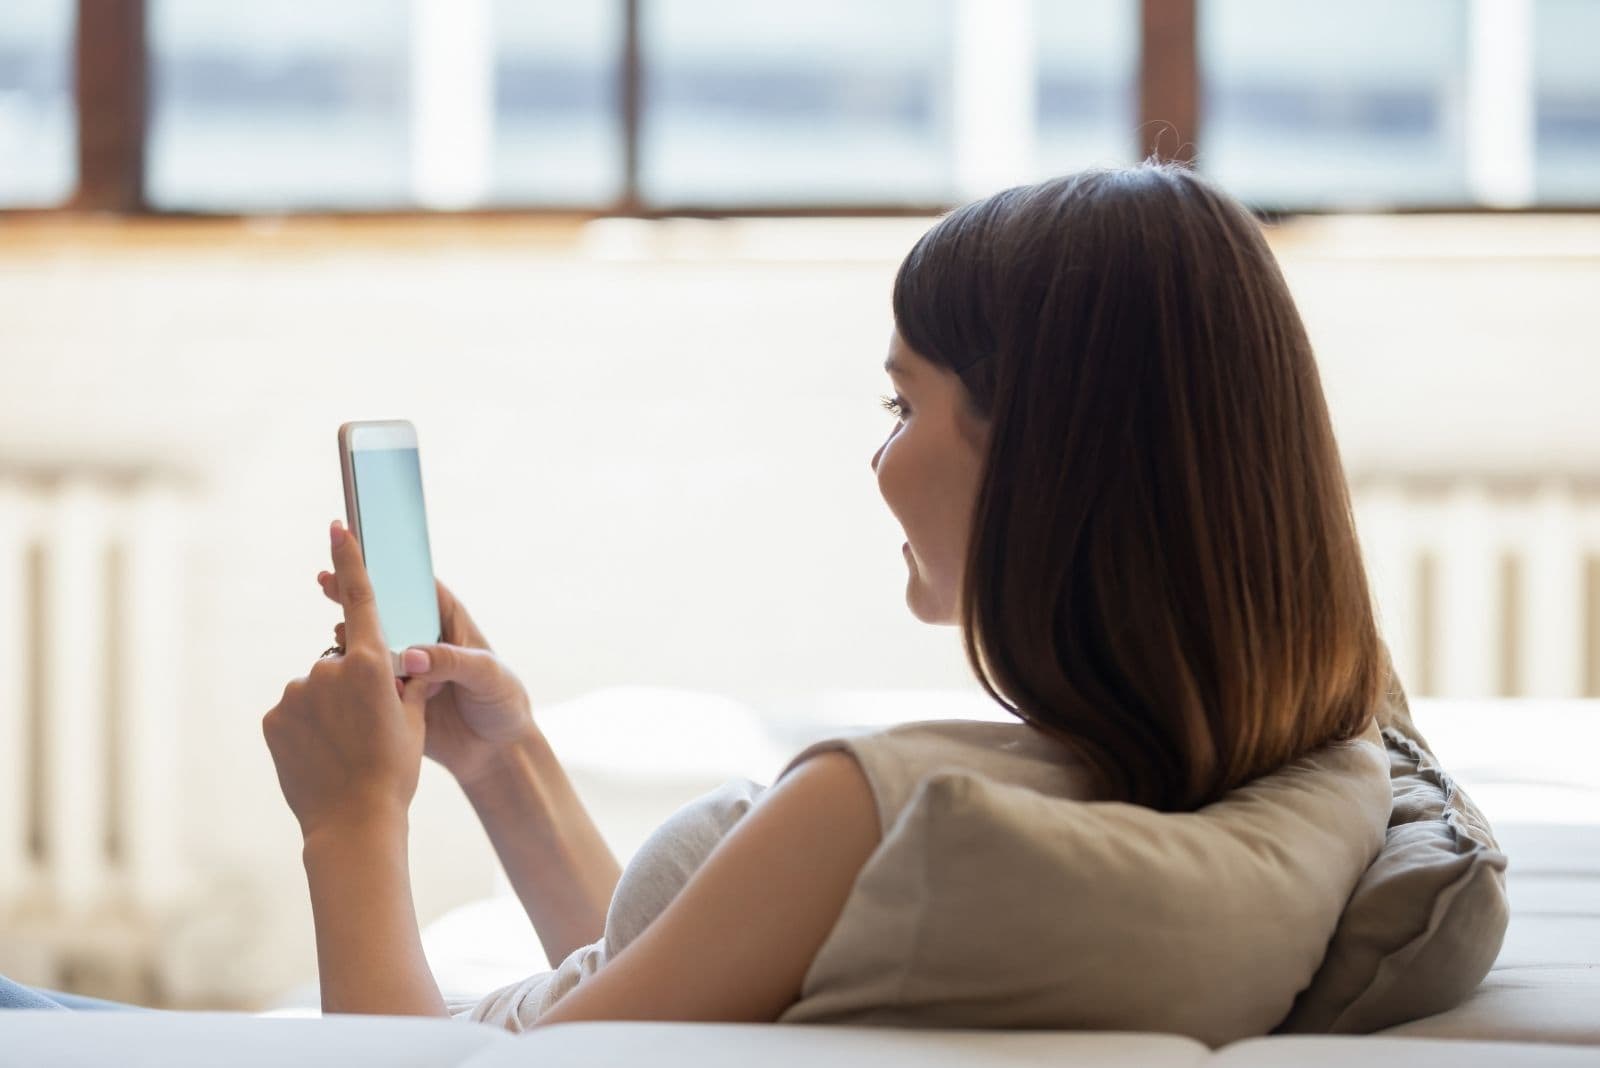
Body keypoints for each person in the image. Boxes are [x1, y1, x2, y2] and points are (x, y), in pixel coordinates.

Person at [2, 161, 1384, 1024]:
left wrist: (350, 822)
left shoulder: (882, 811)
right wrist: (506, 767)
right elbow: (673, 1008)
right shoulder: (1152, 773)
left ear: (1045, 458)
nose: (877, 454)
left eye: (901, 402)